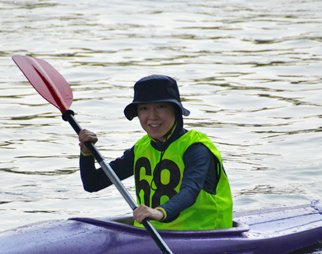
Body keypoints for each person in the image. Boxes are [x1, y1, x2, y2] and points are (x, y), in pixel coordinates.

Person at [78, 74, 233, 230]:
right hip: (155, 235)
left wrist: (159, 212)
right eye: (144, 108)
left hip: (207, 235)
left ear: (176, 110)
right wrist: (86, 153)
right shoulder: (142, 147)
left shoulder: (196, 148)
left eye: (161, 107)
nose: (152, 117)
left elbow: (190, 190)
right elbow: (93, 183)